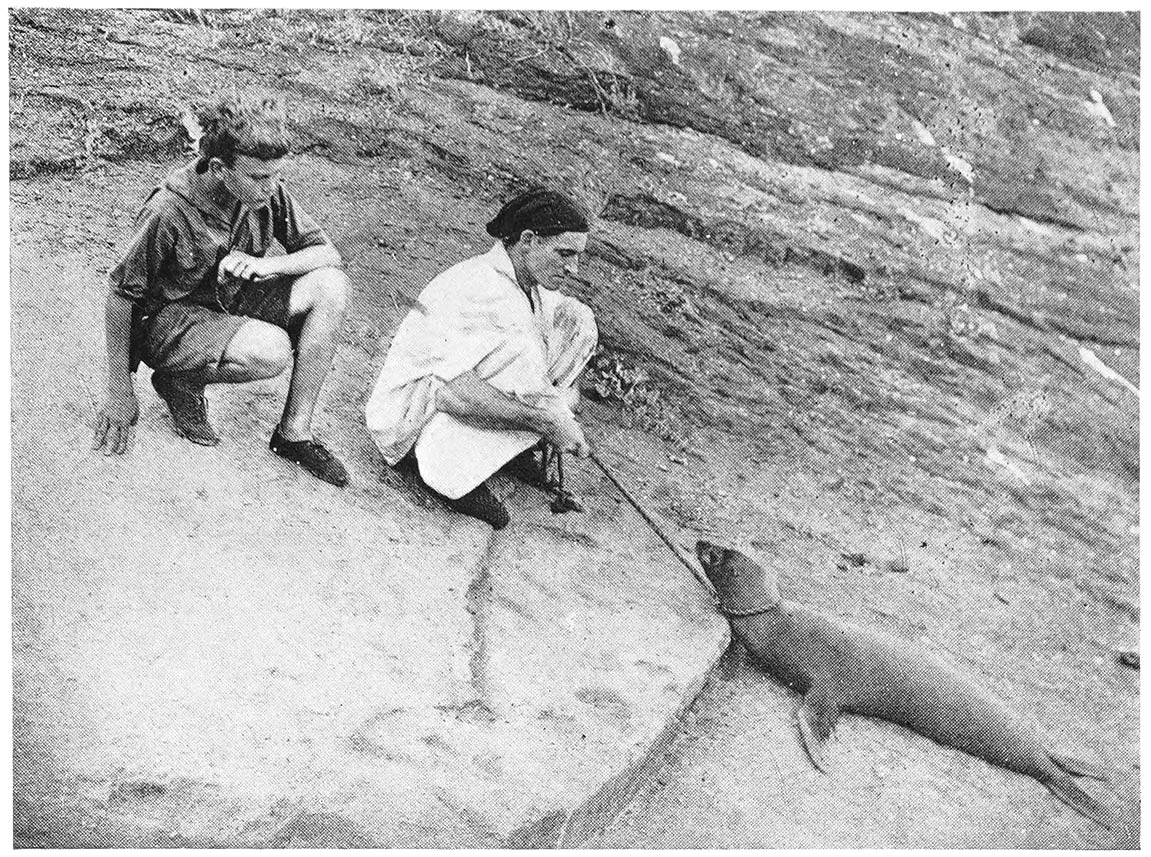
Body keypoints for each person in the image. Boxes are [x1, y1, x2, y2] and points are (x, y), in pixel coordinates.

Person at [91, 94, 351, 486]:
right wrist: (119, 386)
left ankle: (293, 434)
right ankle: (181, 377)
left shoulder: (264, 189)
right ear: (218, 168)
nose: (272, 187)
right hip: (171, 320)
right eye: (260, 177)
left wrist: (268, 265)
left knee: (331, 286)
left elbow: (326, 253)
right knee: (272, 351)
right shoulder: (170, 209)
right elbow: (121, 293)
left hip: (229, 298)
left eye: (276, 175)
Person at [365, 188, 598, 528]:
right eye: (564, 254)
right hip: (410, 419)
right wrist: (547, 420)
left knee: (577, 320)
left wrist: (560, 404)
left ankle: (507, 448)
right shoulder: (482, 290)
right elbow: (450, 392)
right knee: (520, 351)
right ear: (528, 239)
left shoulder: (526, 284)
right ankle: (446, 472)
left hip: (460, 395)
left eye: (577, 256)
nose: (573, 268)